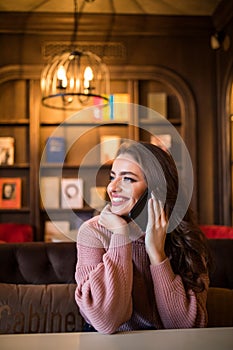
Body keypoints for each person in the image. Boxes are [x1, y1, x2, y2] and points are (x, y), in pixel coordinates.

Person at [75, 140, 210, 334]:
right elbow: (105, 321)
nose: (112, 188)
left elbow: (186, 328)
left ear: (155, 190)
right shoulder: (93, 232)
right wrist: (120, 235)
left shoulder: (185, 237)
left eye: (128, 179)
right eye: (113, 177)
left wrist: (157, 254)